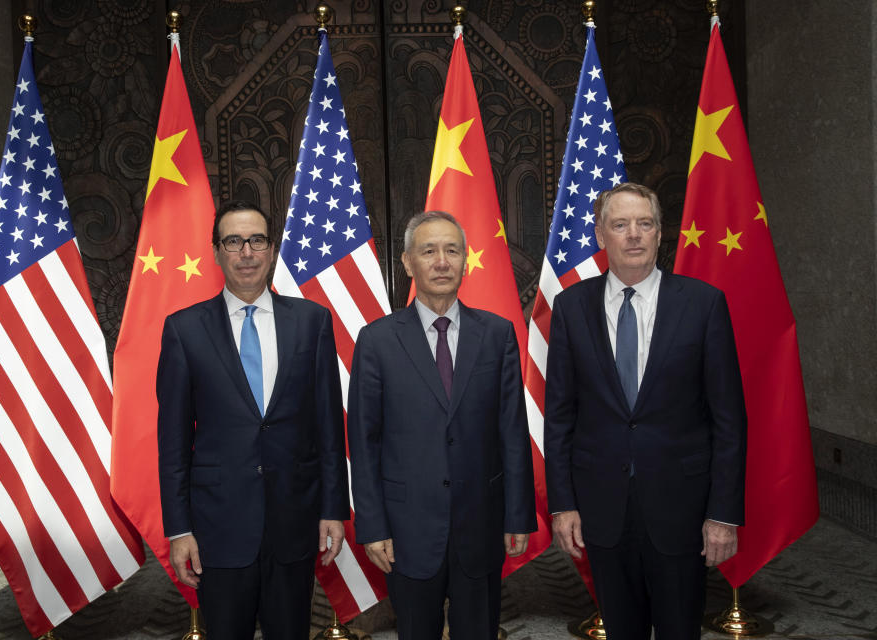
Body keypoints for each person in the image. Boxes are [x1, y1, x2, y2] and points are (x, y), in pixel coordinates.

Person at [544, 183, 747, 640]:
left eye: (645, 224)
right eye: (620, 224)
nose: (633, 235)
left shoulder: (703, 304)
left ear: (659, 234)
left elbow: (728, 420)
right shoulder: (571, 307)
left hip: (684, 509)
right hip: (602, 510)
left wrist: (723, 514)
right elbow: (559, 416)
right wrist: (563, 504)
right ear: (600, 235)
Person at [156, 200, 349, 640]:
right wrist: (179, 528)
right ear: (217, 252)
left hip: (294, 522)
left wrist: (333, 509)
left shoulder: (311, 322)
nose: (246, 252)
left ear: (272, 248)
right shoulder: (184, 330)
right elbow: (172, 442)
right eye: (233, 241)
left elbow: (328, 427)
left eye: (257, 240)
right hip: (217, 529)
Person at [347, 210, 537, 639]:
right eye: (428, 251)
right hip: (406, 529)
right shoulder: (377, 341)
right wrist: (372, 524)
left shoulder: (497, 334)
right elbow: (364, 440)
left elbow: (511, 430)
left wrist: (518, 515)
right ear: (407, 262)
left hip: (481, 523)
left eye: (452, 251)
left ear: (465, 261)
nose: (442, 261)